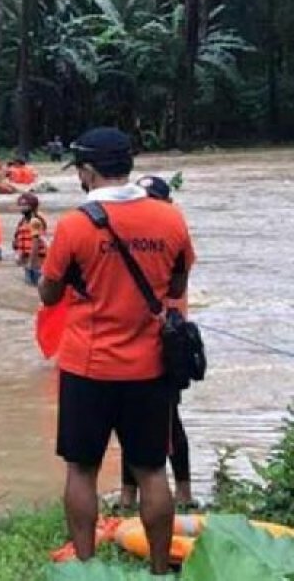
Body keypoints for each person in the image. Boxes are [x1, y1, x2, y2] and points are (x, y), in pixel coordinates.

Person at [39, 127, 195, 576]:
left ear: (88, 172)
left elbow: (49, 295)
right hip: (149, 366)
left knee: (82, 469)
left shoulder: (74, 225)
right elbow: (177, 287)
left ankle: (87, 567)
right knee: (150, 470)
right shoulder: (170, 219)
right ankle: (160, 569)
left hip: (87, 366)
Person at [119, 174, 194, 510]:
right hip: (130, 338)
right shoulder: (135, 231)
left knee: (168, 419)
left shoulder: (173, 232)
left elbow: (177, 285)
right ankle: (127, 494)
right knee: (127, 421)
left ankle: (184, 491)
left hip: (166, 341)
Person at [14, 192, 48, 286]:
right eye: (20, 205)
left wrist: (30, 263)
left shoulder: (35, 221)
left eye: (25, 205)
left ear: (32, 206)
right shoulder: (23, 222)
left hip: (36, 265)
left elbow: (35, 243)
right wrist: (20, 257)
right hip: (28, 264)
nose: (22, 208)